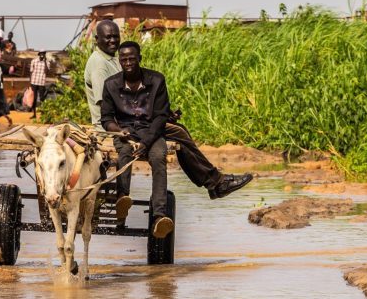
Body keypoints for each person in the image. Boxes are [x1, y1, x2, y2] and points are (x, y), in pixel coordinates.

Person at [101, 42, 254, 241]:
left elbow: (159, 116)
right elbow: (107, 119)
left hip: (152, 132)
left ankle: (159, 216)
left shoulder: (156, 80)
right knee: (125, 153)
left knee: (159, 155)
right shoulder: (111, 84)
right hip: (127, 133)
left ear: (140, 58)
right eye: (124, 59)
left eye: (132, 58)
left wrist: (147, 142)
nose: (128, 63)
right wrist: (120, 131)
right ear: (119, 61)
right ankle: (122, 200)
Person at [90, 23, 252, 203]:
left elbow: (136, 99)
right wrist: (123, 127)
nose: (113, 40)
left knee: (177, 129)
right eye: (108, 37)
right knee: (179, 134)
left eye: (115, 36)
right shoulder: (99, 65)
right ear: (97, 40)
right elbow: (107, 105)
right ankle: (215, 183)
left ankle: (214, 182)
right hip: (117, 125)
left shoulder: (112, 59)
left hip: (136, 120)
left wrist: (162, 113)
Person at [29, 51, 48, 119]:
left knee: (42, 98)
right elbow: (31, 72)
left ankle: (43, 114)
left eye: (44, 53)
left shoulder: (47, 62)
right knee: (34, 98)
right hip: (34, 81)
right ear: (39, 54)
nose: (42, 55)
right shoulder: (34, 61)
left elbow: (46, 71)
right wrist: (30, 82)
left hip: (41, 82)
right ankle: (34, 114)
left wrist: (45, 61)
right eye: (41, 53)